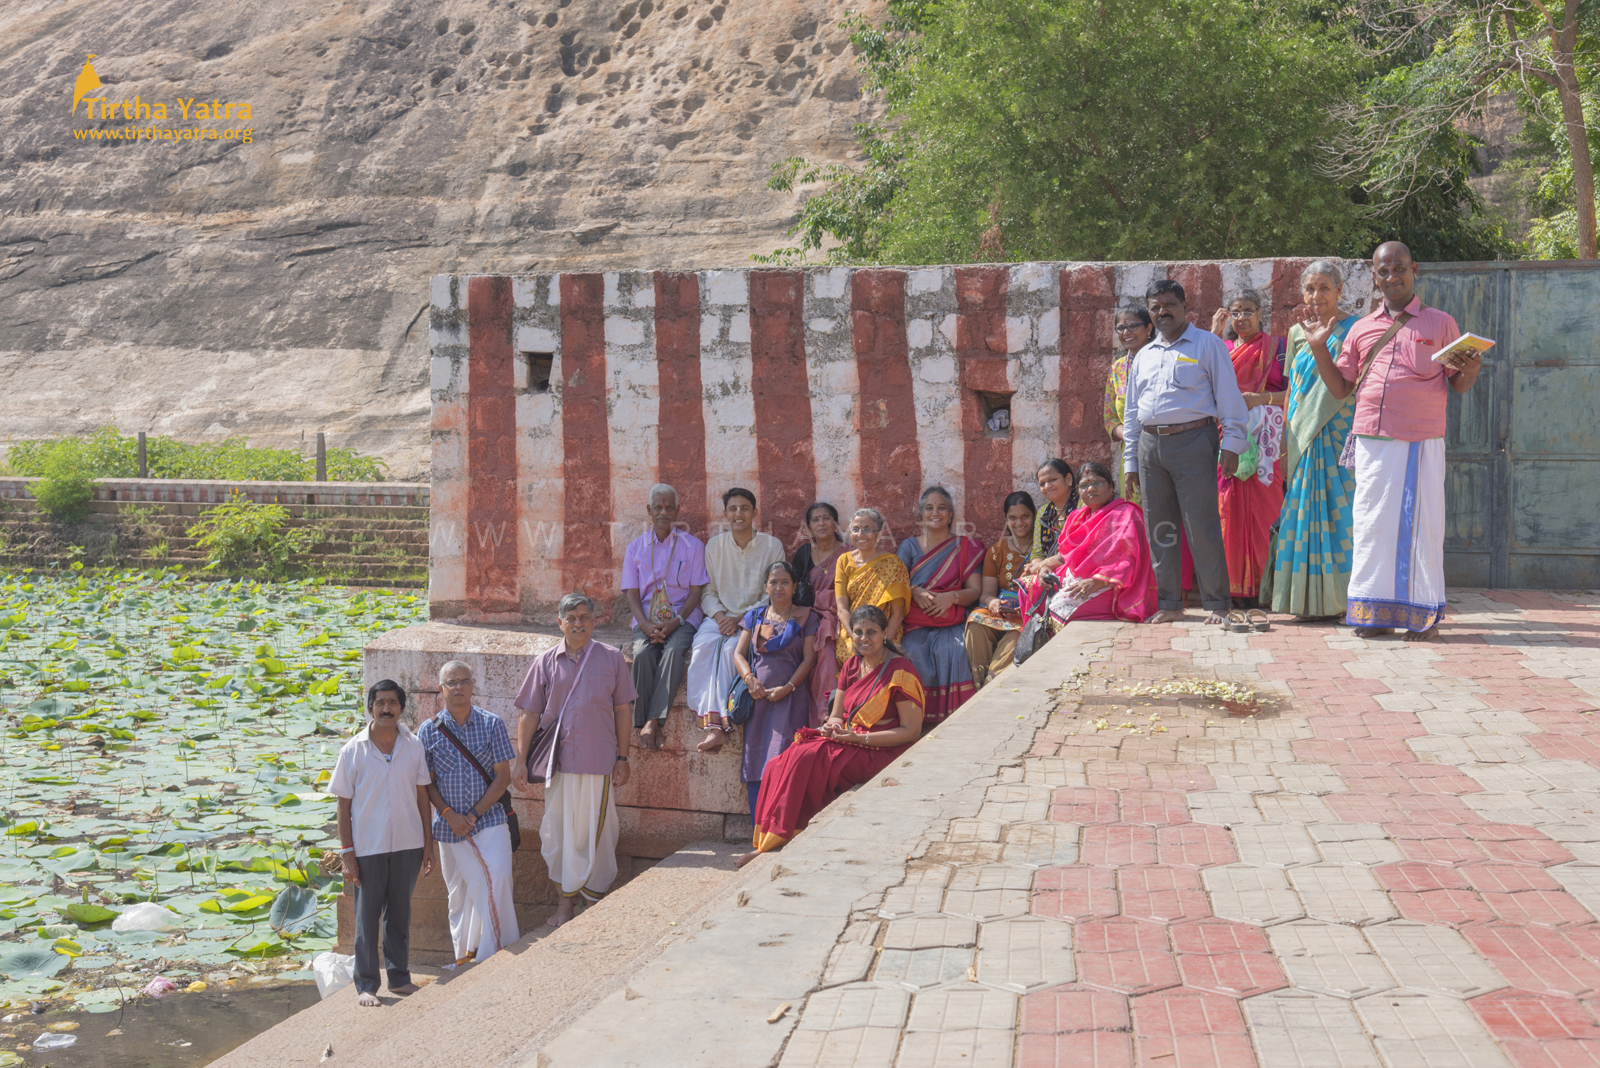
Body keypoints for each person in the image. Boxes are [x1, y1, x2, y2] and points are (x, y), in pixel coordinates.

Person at [1306, 241, 1480, 642]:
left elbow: (1459, 384)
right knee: (1371, 525)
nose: (1392, 277)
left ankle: (1423, 617)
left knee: (1422, 526)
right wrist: (1319, 348)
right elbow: (1340, 390)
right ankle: (1374, 613)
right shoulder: (1362, 329)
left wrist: (1471, 370)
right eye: (1384, 271)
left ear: (1414, 269)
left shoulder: (1440, 324)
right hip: (1372, 440)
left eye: (1399, 268)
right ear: (1374, 276)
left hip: (1421, 440)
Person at [738, 605, 924, 865]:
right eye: (858, 632)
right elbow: (837, 714)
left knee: (807, 759)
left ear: (884, 634)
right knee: (781, 760)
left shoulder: (900, 670)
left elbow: (911, 731)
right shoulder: (851, 665)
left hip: (882, 749)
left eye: (871, 632)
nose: (864, 638)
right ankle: (768, 839)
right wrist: (833, 726)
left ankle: (779, 838)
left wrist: (861, 739)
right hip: (851, 739)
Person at [1123, 279, 1249, 627]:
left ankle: (1218, 604)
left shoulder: (1207, 345)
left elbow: (1229, 396)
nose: (1162, 312)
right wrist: (1131, 460)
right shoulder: (1143, 355)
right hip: (1151, 448)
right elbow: (1132, 413)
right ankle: (1170, 604)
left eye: (1169, 305)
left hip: (1194, 442)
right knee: (1161, 528)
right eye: (1155, 307)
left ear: (1183, 307)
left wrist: (1233, 443)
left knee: (1202, 526)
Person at [513, 593, 635, 927]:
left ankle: (594, 902)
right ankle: (565, 905)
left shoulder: (612, 659)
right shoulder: (545, 662)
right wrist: (520, 760)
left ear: (594, 621)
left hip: (600, 763)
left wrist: (623, 757)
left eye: (584, 617)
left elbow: (623, 710)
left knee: (600, 834)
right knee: (558, 834)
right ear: (560, 623)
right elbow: (529, 714)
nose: (578, 623)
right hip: (558, 765)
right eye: (572, 618)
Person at [1264, 261, 1360, 620]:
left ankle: (1343, 599)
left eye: (1324, 288)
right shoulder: (1296, 332)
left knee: (1343, 515)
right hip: (1301, 433)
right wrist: (1286, 440)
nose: (1316, 296)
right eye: (1310, 289)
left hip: (1339, 433)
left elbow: (1352, 387)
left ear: (1339, 291)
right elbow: (1294, 389)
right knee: (1300, 511)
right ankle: (1302, 599)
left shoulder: (1356, 329)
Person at [331, 680, 435, 1008]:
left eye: (392, 702)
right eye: (380, 703)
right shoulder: (353, 750)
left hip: (407, 843)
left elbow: (422, 797)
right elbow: (343, 806)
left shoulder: (414, 745)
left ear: (401, 708)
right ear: (370, 707)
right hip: (368, 847)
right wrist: (347, 855)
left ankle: (400, 978)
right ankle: (366, 984)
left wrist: (428, 846)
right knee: (366, 917)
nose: (386, 708)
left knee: (399, 914)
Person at [419, 661, 519, 965]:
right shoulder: (428, 730)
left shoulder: (492, 724)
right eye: (452, 683)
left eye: (464, 681)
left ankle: (496, 954)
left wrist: (473, 815)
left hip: (489, 821)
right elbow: (427, 784)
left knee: (497, 880)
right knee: (459, 896)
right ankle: (465, 959)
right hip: (449, 829)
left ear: (473, 686)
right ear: (442, 689)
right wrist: (449, 814)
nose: (458, 688)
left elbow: (503, 777)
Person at [687, 488, 786, 753]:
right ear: (726, 514)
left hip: (755, 616)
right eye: (733, 509)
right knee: (701, 650)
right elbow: (708, 592)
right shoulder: (715, 546)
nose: (738, 514)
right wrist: (721, 617)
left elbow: (773, 592)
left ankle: (720, 725)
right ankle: (711, 722)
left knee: (732, 651)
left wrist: (741, 618)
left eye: (744, 508)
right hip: (718, 616)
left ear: (754, 512)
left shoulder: (772, 545)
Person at [1209, 289, 1288, 605]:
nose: (1242, 318)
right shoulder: (1220, 348)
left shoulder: (1277, 349)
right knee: (1227, 510)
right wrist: (1213, 333)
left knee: (1265, 512)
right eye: (1236, 311)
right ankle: (1234, 589)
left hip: (1267, 448)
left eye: (1248, 311)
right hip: (1225, 442)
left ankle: (1265, 587)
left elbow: (1295, 394)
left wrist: (1261, 399)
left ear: (1260, 314)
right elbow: (1195, 382)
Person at [619, 484, 708, 752]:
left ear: (677, 510)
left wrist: (676, 622)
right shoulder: (635, 549)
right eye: (658, 507)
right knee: (642, 654)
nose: (664, 512)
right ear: (649, 510)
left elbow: (695, 592)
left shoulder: (693, 546)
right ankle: (652, 723)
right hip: (646, 618)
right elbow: (632, 595)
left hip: (682, 617)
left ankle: (650, 723)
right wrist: (645, 625)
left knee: (672, 653)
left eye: (669, 507)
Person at [1018, 462, 1158, 628]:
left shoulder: (1126, 514)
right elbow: (1064, 557)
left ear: (1111, 486)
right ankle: (1036, 643)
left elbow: (1129, 560)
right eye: (1084, 485)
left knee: (1058, 607)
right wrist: (1043, 568)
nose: (1090, 489)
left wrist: (1097, 581)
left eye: (1097, 483)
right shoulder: (1077, 517)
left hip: (1110, 584)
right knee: (1030, 588)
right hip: (1075, 576)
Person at [732, 562, 818, 813]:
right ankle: (759, 830)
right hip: (758, 699)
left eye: (784, 582)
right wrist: (750, 680)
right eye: (773, 582)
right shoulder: (755, 617)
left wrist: (788, 687)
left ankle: (782, 828)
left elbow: (809, 659)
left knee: (785, 758)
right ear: (766, 587)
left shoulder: (807, 617)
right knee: (756, 759)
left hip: (791, 699)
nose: (778, 587)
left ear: (794, 587)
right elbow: (739, 654)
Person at [897, 486, 984, 724]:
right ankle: (917, 722)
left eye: (941, 507)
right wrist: (914, 591)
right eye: (929, 508)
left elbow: (975, 590)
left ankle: (956, 720)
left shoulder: (966, 546)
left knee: (957, 649)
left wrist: (951, 598)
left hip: (953, 618)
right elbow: (896, 584)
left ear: (951, 514)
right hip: (917, 620)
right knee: (912, 651)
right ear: (920, 514)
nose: (935, 513)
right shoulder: (909, 546)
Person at [964, 491, 1035, 689]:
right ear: (1006, 519)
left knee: (1015, 638)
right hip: (1000, 612)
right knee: (975, 623)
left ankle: (992, 687)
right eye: (1012, 518)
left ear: (1034, 516)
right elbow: (986, 593)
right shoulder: (996, 550)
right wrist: (992, 602)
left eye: (1025, 516)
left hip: (1027, 614)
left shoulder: (1042, 549)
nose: (1019, 523)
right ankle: (979, 685)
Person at [790, 503, 845, 727]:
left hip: (840, 618)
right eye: (815, 520)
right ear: (809, 527)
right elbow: (792, 592)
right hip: (808, 619)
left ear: (835, 523)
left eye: (826, 518)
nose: (821, 523)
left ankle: (828, 714)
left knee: (827, 653)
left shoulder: (849, 553)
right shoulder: (804, 554)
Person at [834, 507, 912, 659]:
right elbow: (842, 609)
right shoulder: (843, 561)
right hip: (852, 633)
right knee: (849, 658)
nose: (860, 535)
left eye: (867, 529)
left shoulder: (893, 564)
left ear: (879, 534)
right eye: (855, 529)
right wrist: (856, 639)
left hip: (885, 635)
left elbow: (897, 614)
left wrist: (881, 643)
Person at [1104, 308, 1155, 504]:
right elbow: (1109, 419)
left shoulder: (1163, 360)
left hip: (1162, 447)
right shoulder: (1117, 369)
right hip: (1131, 454)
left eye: (1133, 326)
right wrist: (1130, 434)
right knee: (1135, 513)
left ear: (1149, 328)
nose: (1126, 332)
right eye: (1121, 328)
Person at [1028, 459, 1078, 560]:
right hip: (1049, 569)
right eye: (1042, 484)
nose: (1047, 486)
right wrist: (1036, 565)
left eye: (1052, 480)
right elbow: (1037, 552)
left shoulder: (1082, 504)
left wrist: (1045, 564)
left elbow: (1079, 546)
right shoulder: (1043, 512)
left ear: (1068, 479)